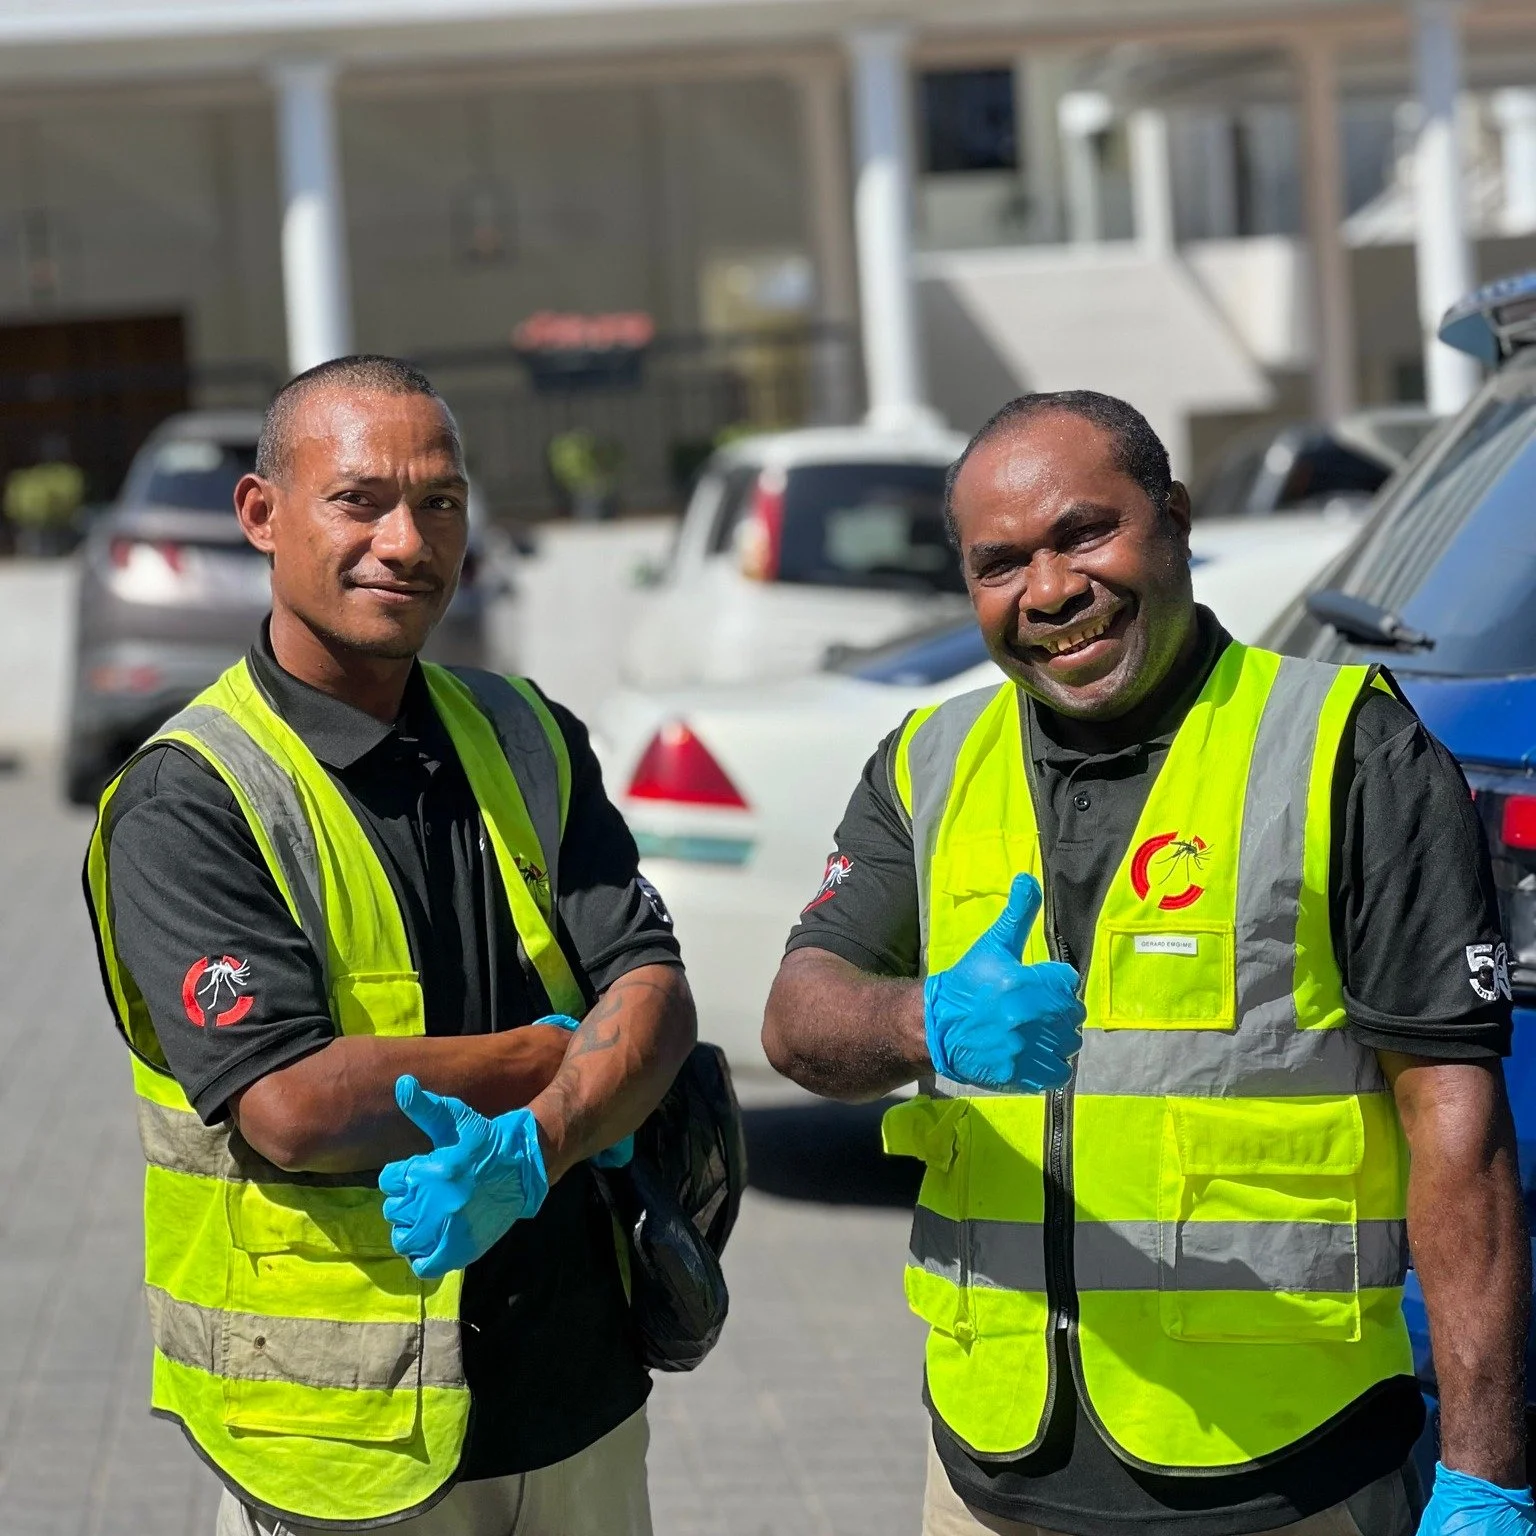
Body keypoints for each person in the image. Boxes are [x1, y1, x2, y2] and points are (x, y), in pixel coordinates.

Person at [761, 390, 1534, 1536]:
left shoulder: (1345, 748)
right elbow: (796, 1019)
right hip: (992, 1479)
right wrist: (925, 1019)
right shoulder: (927, 764)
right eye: (1000, 562)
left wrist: (1485, 1472)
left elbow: (1457, 1128)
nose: (1051, 590)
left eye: (1085, 533)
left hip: (1284, 1478)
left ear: (1173, 517)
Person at [84, 355, 696, 1535]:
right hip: (341, 1456)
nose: (408, 542)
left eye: (442, 503)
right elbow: (292, 1107)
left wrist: (549, 1136)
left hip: (581, 1413)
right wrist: (551, 1054)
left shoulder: (529, 736)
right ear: (262, 516)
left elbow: (658, 996)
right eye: (360, 500)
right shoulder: (196, 797)